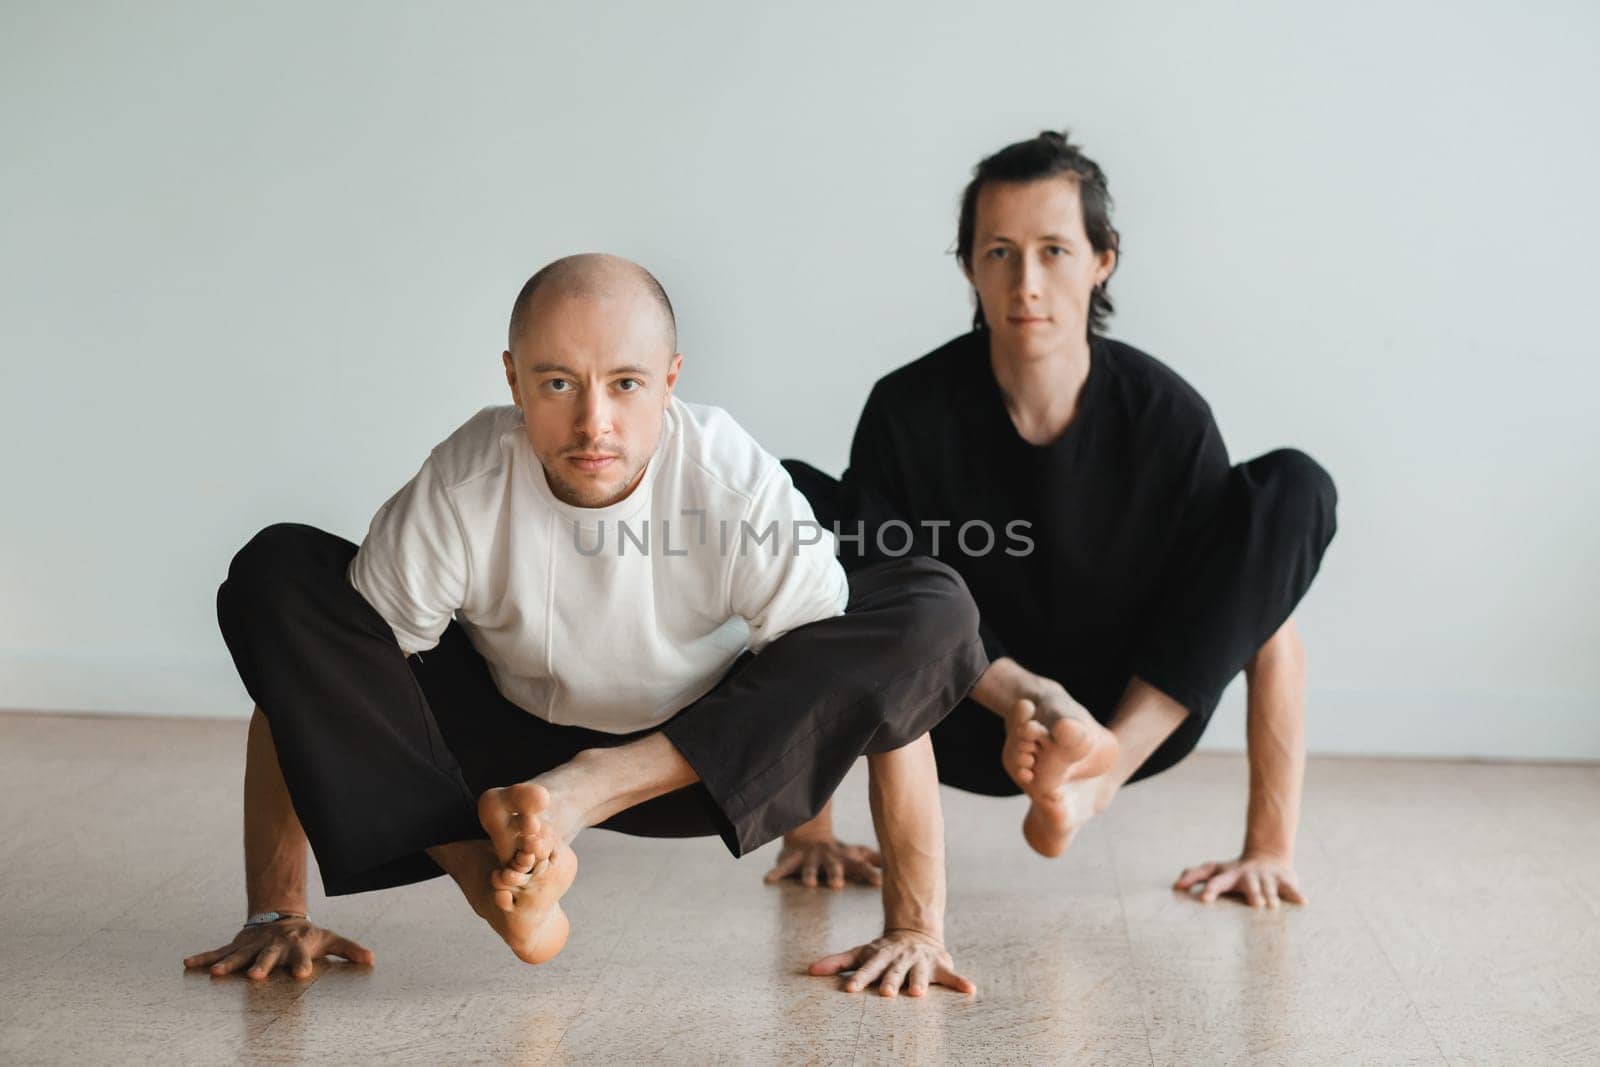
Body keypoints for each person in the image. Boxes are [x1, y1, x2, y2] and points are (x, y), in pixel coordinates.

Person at [183, 253, 987, 997]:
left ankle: (581, 792)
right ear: (514, 380)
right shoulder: (465, 481)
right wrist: (274, 910)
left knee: (931, 608)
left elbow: (856, 683)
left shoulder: (730, 481)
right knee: (279, 573)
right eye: (559, 383)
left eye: (627, 384)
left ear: (671, 381)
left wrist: (912, 922)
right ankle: (489, 884)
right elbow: (312, 679)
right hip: (500, 770)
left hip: (690, 770)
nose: (594, 421)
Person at [774, 132, 1337, 909]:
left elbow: (1262, 623)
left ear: (1103, 258)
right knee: (793, 495)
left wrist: (1269, 848)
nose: (1026, 282)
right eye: (999, 252)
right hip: (961, 712)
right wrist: (807, 828)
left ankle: (1096, 780)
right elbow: (852, 595)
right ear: (969, 265)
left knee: (1293, 488)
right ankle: (1052, 735)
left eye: (1054, 251)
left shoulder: (1165, 415)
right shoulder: (908, 408)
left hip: (1125, 715)